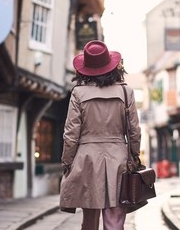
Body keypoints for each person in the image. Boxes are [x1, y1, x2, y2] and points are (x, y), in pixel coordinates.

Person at [59, 40, 141, 230]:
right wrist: (135, 156)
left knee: (89, 218)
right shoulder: (125, 91)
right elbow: (134, 131)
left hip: (87, 159)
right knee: (115, 218)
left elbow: (71, 134)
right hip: (118, 158)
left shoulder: (78, 93)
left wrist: (67, 162)